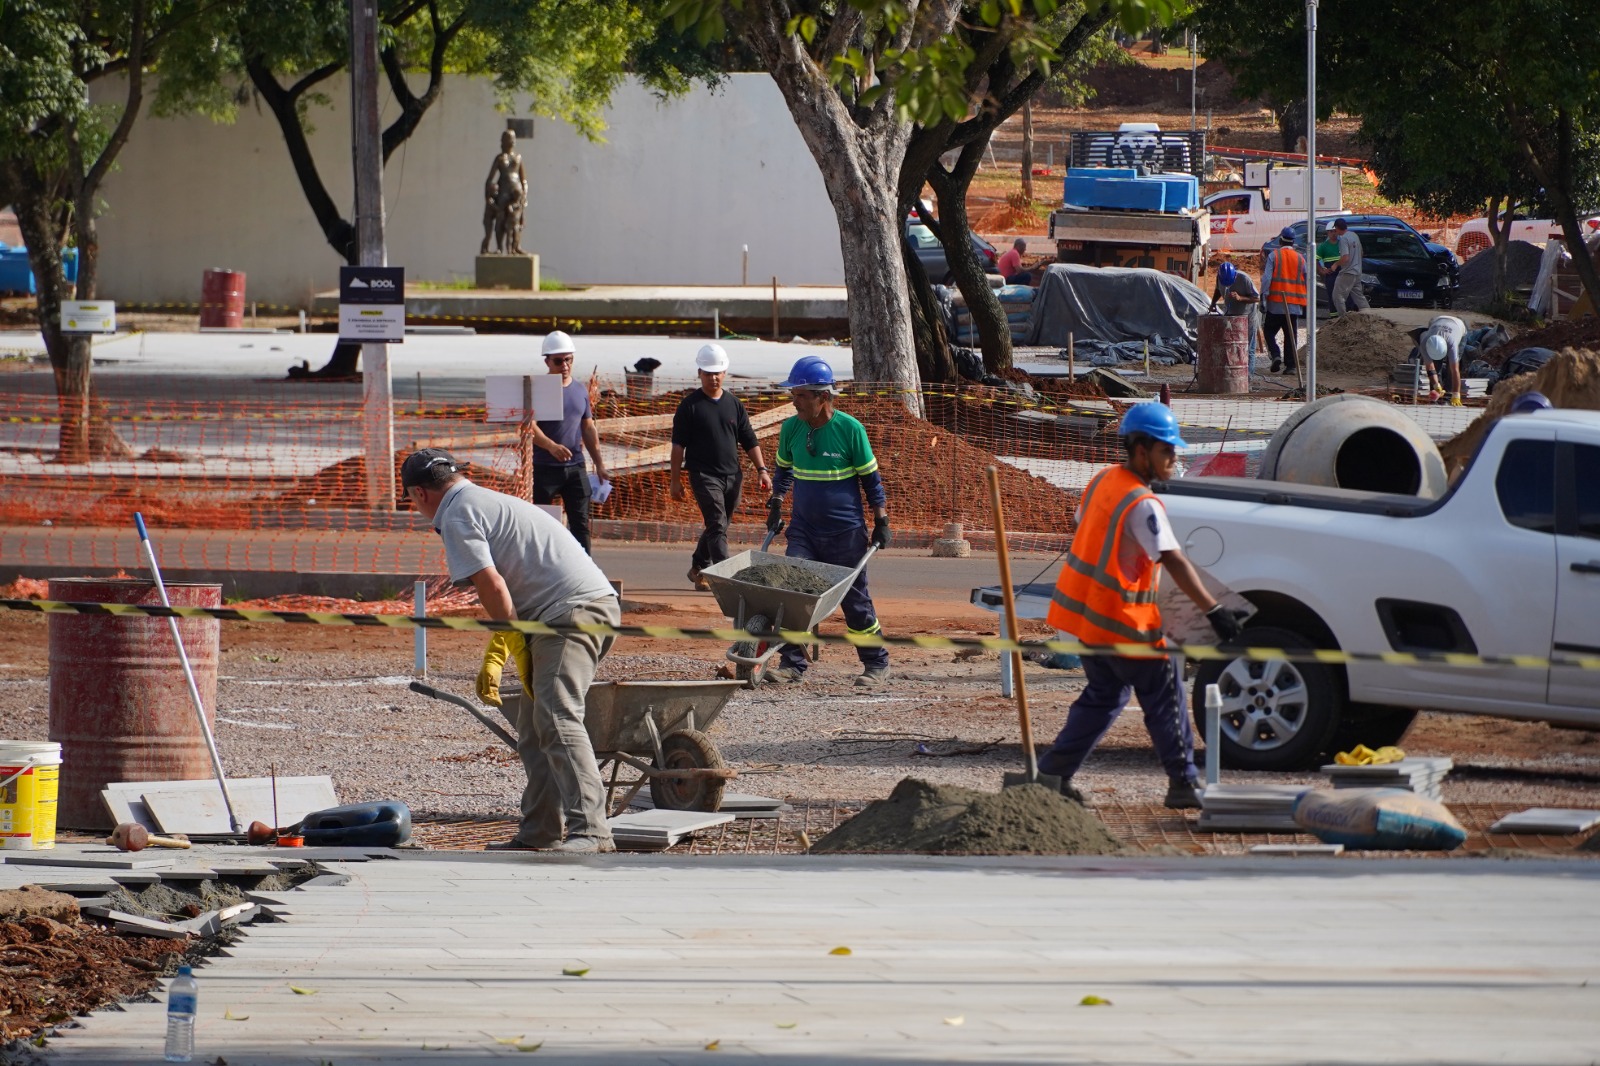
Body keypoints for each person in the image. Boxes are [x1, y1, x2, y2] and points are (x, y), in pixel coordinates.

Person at [401, 448, 620, 853]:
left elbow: (492, 584)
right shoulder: (480, 500)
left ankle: (591, 831)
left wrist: (506, 638)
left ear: (419, 493)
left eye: (412, 501)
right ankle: (540, 831)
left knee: (556, 715)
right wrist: (510, 638)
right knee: (536, 728)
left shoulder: (457, 513)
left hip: (571, 611)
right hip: (572, 608)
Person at [1037, 403, 1246, 810]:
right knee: (1164, 695)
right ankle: (1183, 782)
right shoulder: (1143, 504)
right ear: (1140, 449)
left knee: (1103, 695)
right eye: (1167, 451)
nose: (1174, 459)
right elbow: (1173, 559)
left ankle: (1053, 774)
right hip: (1125, 624)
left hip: (1088, 620)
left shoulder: (1102, 481)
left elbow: (1087, 525)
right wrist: (1213, 610)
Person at [764, 356, 892, 688]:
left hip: (845, 532)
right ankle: (792, 665)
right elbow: (783, 471)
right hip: (804, 528)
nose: (795, 401)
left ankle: (876, 663)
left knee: (854, 600)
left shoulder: (850, 431)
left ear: (823, 397)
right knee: (793, 592)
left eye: (801, 395)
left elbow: (871, 481)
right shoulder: (791, 429)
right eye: (794, 394)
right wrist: (777, 503)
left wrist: (881, 520)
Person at [671, 343, 773, 589]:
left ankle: (699, 567)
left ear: (725, 372)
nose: (713, 377)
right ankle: (725, 580)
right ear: (699, 373)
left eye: (717, 372)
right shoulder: (689, 406)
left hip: (732, 476)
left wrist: (762, 470)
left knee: (719, 524)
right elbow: (677, 446)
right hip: (703, 475)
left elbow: (749, 439)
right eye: (708, 373)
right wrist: (675, 480)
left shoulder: (734, 405)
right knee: (717, 523)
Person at [530, 331, 610, 554]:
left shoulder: (579, 390)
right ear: (547, 361)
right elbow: (529, 427)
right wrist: (551, 446)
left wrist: (599, 465)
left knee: (580, 524)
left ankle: (585, 571)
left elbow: (588, 427)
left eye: (568, 359)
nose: (564, 365)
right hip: (545, 468)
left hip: (575, 467)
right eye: (558, 361)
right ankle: (544, 569)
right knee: (543, 524)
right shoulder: (539, 388)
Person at [1259, 228, 1309, 375]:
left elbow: (1267, 278)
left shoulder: (1274, 256)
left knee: (1268, 331)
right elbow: (1306, 279)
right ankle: (1291, 366)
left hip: (1276, 303)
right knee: (1290, 335)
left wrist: (1263, 296)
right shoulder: (1300, 258)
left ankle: (1275, 355)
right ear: (1293, 242)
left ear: (1280, 240)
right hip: (1293, 304)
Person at [1207, 261, 1263, 373]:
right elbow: (1218, 289)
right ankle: (1233, 374)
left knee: (1248, 349)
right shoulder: (1220, 277)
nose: (1227, 285)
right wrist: (1213, 303)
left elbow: (1257, 298)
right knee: (1231, 347)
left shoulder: (1244, 279)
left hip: (1247, 318)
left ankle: (1248, 379)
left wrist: (1240, 298)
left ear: (1234, 275)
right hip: (1230, 316)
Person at [480, 129, 528, 255]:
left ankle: (516, 246)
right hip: (503, 190)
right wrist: (488, 195)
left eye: (513, 138)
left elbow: (523, 179)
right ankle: (500, 247)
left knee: (515, 220)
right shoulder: (500, 158)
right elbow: (490, 179)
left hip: (516, 192)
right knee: (501, 219)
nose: (511, 141)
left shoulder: (518, 157)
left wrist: (525, 193)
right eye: (508, 138)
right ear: (502, 141)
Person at [1418, 314, 1467, 406]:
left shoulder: (1452, 344)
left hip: (1459, 326)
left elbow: (1455, 371)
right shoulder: (1424, 344)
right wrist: (1436, 385)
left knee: (1450, 368)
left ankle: (1449, 397)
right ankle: (1435, 396)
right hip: (1438, 321)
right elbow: (1430, 367)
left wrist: (1456, 394)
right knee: (1436, 366)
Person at [1324, 218, 1370, 314]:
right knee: (1359, 296)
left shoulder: (1343, 239)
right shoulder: (1354, 235)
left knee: (1337, 296)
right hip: (1357, 272)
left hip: (1347, 272)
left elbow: (1345, 257)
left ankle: (1343, 318)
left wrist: (1335, 264)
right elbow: (1361, 253)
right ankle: (1369, 315)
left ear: (1336, 228)